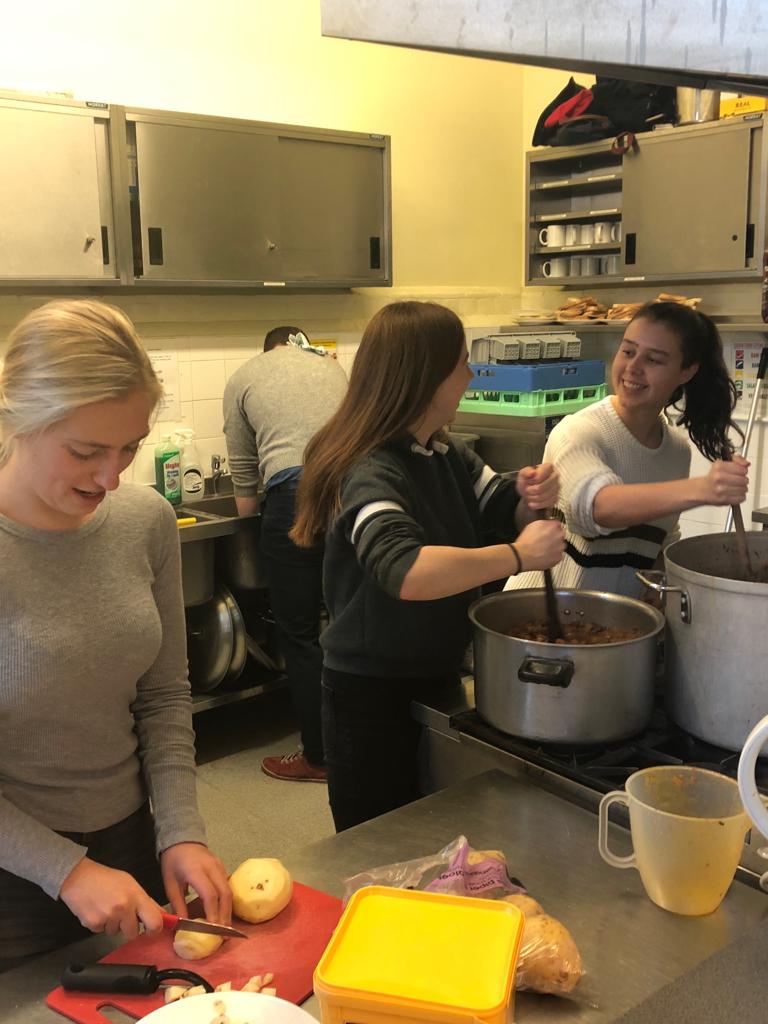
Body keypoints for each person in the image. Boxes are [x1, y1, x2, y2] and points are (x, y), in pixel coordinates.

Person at [0, 299, 231, 970]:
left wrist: (180, 831)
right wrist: (67, 870)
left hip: (130, 848)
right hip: (12, 880)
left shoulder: (146, 521)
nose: (112, 476)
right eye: (86, 450)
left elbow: (163, 696)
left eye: (129, 446)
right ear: (18, 420)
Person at [290, 301, 565, 831]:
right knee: (377, 840)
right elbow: (406, 571)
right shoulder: (369, 466)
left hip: (433, 675)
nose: (470, 374)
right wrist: (518, 555)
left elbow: (496, 505)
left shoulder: (443, 452)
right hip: (369, 696)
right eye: (462, 362)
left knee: (435, 832)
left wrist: (528, 497)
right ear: (428, 377)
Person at [506, 300, 748, 599]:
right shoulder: (579, 432)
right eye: (628, 351)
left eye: (654, 360)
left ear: (686, 372)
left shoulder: (675, 450)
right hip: (539, 619)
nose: (633, 368)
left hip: (615, 627)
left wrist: (662, 601)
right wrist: (704, 488)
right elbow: (597, 508)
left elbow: (659, 545)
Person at [223, 326, 347, 782]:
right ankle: (359, 745)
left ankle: (318, 757)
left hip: (294, 492)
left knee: (299, 634)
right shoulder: (331, 366)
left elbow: (242, 472)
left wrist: (257, 527)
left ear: (267, 348)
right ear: (302, 343)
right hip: (359, 487)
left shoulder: (244, 376)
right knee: (349, 621)